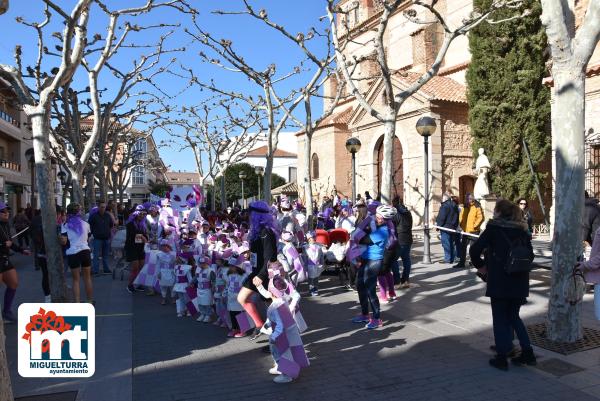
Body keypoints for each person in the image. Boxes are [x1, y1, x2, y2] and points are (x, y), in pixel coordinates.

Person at [469, 199, 535, 370]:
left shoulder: (493, 229)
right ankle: (527, 353)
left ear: (499, 212)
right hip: (519, 280)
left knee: (499, 318)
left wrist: (482, 267)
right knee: (514, 317)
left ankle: (501, 357)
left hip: (499, 280)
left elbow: (474, 250)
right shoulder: (522, 230)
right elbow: (531, 256)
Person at [237, 200, 278, 339]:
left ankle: (276, 339)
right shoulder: (257, 231)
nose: (248, 215)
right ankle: (259, 325)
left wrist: (261, 275)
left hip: (264, 275)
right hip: (256, 272)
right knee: (242, 298)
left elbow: (270, 257)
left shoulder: (267, 232)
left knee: (272, 308)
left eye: (250, 212)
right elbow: (259, 253)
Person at [351, 204, 395, 329]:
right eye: (377, 216)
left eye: (380, 217)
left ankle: (377, 318)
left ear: (386, 219)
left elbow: (364, 240)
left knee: (370, 289)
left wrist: (360, 231)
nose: (377, 219)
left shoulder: (383, 231)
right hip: (365, 259)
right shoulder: (375, 225)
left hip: (374, 261)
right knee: (360, 285)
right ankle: (365, 315)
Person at [0, 202, 31, 322]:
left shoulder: (6, 225)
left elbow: (9, 242)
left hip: (4, 258)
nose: (6, 213)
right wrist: (3, 244)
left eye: (7, 211)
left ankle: (6, 311)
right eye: (3, 211)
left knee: (13, 283)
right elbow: (5, 243)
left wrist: (21, 250)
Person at [60, 203, 94, 304]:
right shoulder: (86, 224)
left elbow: (64, 242)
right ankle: (90, 301)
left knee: (76, 280)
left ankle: (77, 303)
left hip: (73, 253)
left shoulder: (65, 225)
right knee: (87, 278)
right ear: (79, 212)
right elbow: (88, 238)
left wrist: (59, 238)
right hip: (85, 252)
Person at [454, 193, 484, 268]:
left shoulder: (477, 206)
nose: (467, 200)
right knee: (463, 247)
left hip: (474, 231)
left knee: (472, 248)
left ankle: (473, 262)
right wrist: (461, 225)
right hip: (465, 231)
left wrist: (475, 226)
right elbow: (461, 215)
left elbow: (481, 218)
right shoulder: (465, 206)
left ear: (472, 199)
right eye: (466, 199)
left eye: (468, 199)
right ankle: (461, 262)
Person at [125, 206, 148, 293]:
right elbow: (132, 235)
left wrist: (145, 238)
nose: (142, 215)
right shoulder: (130, 224)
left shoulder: (143, 224)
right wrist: (142, 237)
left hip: (140, 248)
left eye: (143, 214)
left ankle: (138, 284)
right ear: (136, 214)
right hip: (132, 248)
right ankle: (130, 285)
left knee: (142, 267)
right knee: (135, 268)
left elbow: (145, 235)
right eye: (140, 214)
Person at [88, 200, 114, 275]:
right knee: (96, 255)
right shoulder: (93, 216)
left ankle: (106, 269)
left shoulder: (107, 215)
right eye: (102, 207)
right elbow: (90, 226)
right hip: (97, 238)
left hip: (106, 238)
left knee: (105, 255)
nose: (103, 208)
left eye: (104, 207)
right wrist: (93, 233)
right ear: (98, 207)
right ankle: (95, 270)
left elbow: (111, 225)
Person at [393, 197, 413, 288]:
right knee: (406, 259)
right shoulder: (408, 212)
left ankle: (397, 280)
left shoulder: (396, 213)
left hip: (399, 239)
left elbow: (393, 227)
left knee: (393, 260)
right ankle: (405, 279)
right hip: (408, 238)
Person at [436, 193, 459, 263]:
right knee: (451, 243)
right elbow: (457, 217)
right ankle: (453, 258)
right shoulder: (454, 205)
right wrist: (455, 225)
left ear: (445, 198)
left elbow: (441, 217)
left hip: (445, 227)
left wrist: (438, 226)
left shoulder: (444, 206)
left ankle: (448, 259)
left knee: (446, 244)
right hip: (452, 227)